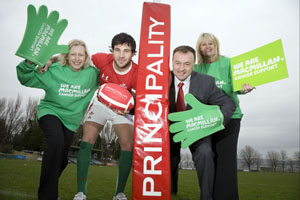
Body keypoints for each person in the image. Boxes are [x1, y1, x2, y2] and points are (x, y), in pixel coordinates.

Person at [16, 39, 99, 200]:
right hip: (50, 111)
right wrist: (31, 60)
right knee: (56, 141)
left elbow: (110, 80)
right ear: (66, 57)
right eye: (73, 54)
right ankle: (48, 196)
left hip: (71, 121)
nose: (76, 58)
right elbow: (24, 77)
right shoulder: (54, 70)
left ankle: (50, 185)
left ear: (86, 56)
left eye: (80, 55)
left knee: (61, 160)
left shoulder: (92, 75)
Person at [73, 32, 138, 200]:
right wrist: (53, 60)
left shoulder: (137, 72)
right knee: (86, 139)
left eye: (126, 51)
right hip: (101, 103)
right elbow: (78, 59)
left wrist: (129, 110)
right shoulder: (102, 59)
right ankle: (80, 192)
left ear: (133, 53)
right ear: (112, 50)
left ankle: (119, 193)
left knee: (127, 144)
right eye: (117, 50)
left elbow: (142, 100)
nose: (121, 55)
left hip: (122, 110)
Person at [169, 45, 236, 200]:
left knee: (205, 152)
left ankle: (207, 197)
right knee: (170, 158)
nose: (181, 69)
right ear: (171, 62)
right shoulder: (160, 81)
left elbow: (229, 104)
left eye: (187, 64)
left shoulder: (206, 82)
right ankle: (170, 191)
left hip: (197, 130)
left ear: (194, 64)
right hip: (170, 130)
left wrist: (213, 121)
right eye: (177, 63)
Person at [194, 33, 255, 200]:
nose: (208, 47)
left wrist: (244, 88)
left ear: (216, 44)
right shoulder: (197, 68)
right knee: (209, 161)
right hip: (208, 120)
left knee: (226, 163)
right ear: (199, 48)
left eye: (210, 43)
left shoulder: (229, 63)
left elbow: (237, 86)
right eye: (203, 44)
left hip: (231, 118)